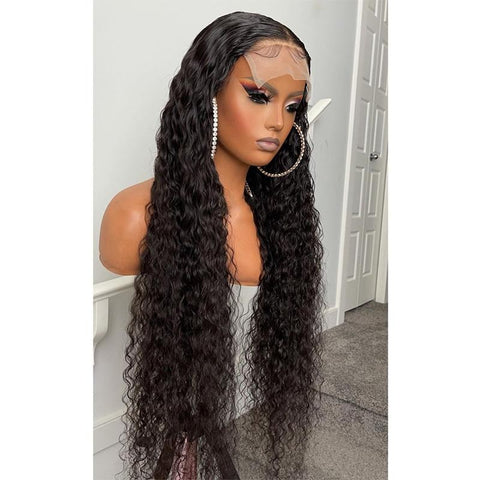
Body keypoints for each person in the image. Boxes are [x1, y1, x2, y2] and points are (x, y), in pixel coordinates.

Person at [99, 11, 326, 480]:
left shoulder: (277, 224)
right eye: (259, 95)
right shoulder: (135, 216)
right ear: (207, 96)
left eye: (292, 106)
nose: (277, 122)